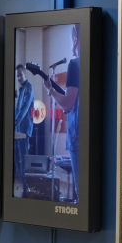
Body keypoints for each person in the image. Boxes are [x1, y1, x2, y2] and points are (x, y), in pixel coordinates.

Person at [43, 25, 80, 203]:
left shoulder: (75, 63)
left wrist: (50, 90)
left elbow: (67, 103)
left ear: (75, 38)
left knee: (82, 191)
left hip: (78, 133)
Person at [12, 64, 34, 196]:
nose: (19, 77)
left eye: (20, 74)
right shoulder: (20, 90)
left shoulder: (29, 87)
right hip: (16, 130)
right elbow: (16, 110)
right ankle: (22, 186)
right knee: (16, 160)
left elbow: (25, 107)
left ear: (25, 74)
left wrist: (15, 121)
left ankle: (26, 188)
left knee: (23, 160)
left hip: (24, 130)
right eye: (17, 75)